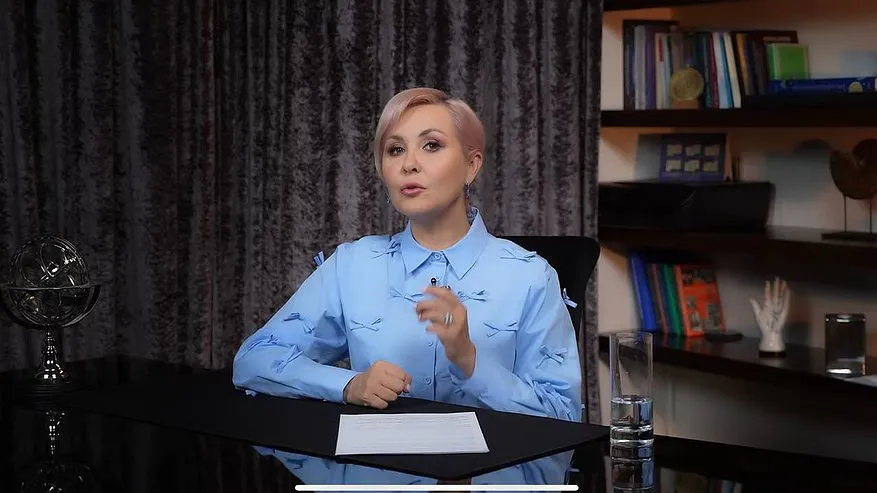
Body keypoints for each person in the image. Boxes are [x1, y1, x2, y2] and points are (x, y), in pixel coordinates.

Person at [232, 87, 582, 485]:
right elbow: (254, 361)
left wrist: (470, 362)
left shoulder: (531, 276)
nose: (409, 164)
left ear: (471, 166)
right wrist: (349, 385)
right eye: (395, 150)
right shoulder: (352, 265)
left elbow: (564, 419)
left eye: (431, 145)